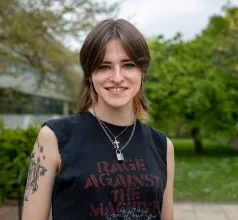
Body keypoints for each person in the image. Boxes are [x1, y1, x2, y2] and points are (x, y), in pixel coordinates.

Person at [21, 18, 175, 220]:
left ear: (142, 72)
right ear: (89, 75)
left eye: (128, 65)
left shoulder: (162, 145)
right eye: (104, 66)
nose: (117, 77)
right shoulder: (54, 138)